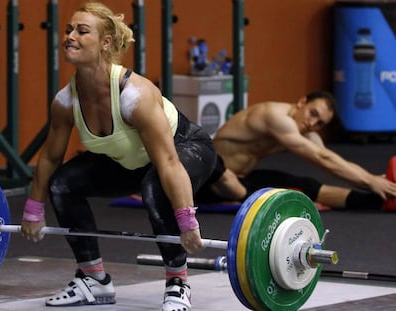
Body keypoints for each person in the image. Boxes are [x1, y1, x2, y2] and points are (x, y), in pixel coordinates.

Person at [20, 3, 217, 310]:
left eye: (82, 31)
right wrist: (33, 209)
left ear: (106, 43)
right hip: (131, 161)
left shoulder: (134, 95)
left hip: (186, 148)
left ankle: (178, 282)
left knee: (155, 187)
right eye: (69, 29)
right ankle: (94, 279)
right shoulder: (65, 100)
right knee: (62, 184)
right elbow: (49, 158)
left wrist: (186, 221)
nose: (70, 36)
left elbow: (167, 162)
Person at [197, 91, 396, 211]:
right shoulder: (275, 117)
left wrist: (375, 182)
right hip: (209, 179)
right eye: (312, 113)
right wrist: (370, 180)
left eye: (320, 123)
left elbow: (332, 160)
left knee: (306, 186)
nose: (312, 123)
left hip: (242, 179)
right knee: (223, 173)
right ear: (301, 102)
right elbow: (322, 158)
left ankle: (379, 201)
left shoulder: (304, 132)